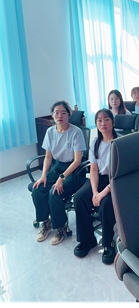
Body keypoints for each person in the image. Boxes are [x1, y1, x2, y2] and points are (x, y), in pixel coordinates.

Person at [32, 101, 87, 245]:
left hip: (74, 170)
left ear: (69, 115)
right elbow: (48, 157)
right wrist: (43, 175)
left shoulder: (76, 132)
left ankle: (61, 227)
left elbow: (77, 160)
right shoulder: (50, 132)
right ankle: (46, 223)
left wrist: (62, 178)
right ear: (52, 115)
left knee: (54, 192)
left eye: (63, 112)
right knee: (38, 188)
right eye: (56, 112)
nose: (60, 115)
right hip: (57, 167)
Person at [73, 109, 117, 264]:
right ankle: (87, 240)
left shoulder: (120, 142)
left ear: (112, 122)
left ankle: (108, 244)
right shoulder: (95, 143)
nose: (103, 123)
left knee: (105, 204)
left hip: (116, 181)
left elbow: (120, 173)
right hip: (99, 179)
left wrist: (103, 193)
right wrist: (94, 191)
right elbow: (93, 170)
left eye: (106, 119)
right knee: (79, 197)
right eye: (99, 120)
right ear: (96, 124)